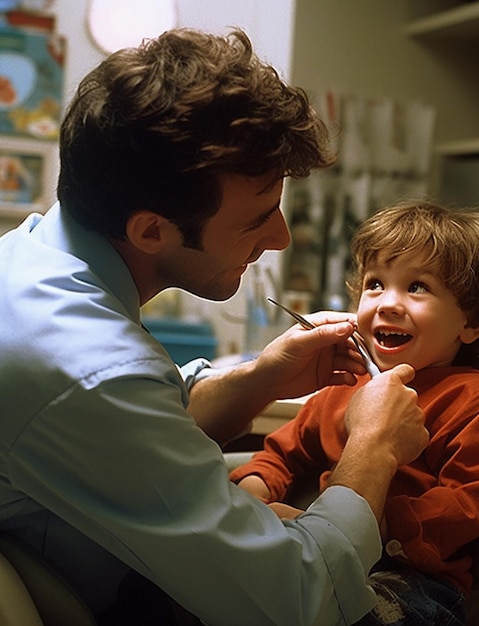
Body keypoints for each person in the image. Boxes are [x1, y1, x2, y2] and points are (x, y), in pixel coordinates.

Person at [0, 29, 429, 626]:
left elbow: (135, 428)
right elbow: (299, 600)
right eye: (257, 218)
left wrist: (261, 378)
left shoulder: (34, 259)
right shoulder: (86, 366)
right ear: (152, 231)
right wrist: (374, 447)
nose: (279, 238)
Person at [231, 200, 479, 625]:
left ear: (472, 321)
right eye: (375, 284)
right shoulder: (346, 386)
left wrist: (377, 526)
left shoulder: (476, 401)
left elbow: (464, 507)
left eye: (417, 287)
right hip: (328, 549)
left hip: (414, 577)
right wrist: (253, 493)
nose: (387, 303)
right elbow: (285, 452)